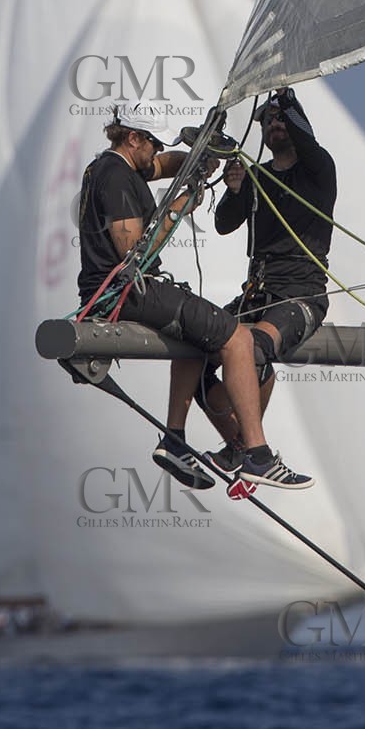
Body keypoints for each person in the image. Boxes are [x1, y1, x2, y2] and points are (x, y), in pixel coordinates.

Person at [76, 102, 312, 491]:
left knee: (196, 339)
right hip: (127, 292)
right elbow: (133, 250)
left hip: (119, 290)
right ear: (133, 138)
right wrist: (178, 208)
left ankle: (174, 440)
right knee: (236, 337)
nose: (156, 151)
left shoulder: (113, 166)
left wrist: (200, 158)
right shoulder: (116, 177)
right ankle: (257, 454)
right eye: (151, 143)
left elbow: (163, 166)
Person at [202, 87, 336, 474]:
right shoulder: (257, 176)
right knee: (194, 350)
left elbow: (304, 136)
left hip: (300, 294)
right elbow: (224, 224)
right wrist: (236, 188)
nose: (273, 124)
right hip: (257, 293)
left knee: (253, 348)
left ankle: (251, 449)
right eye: (267, 120)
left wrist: (285, 93)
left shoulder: (318, 168)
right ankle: (237, 442)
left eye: (280, 119)